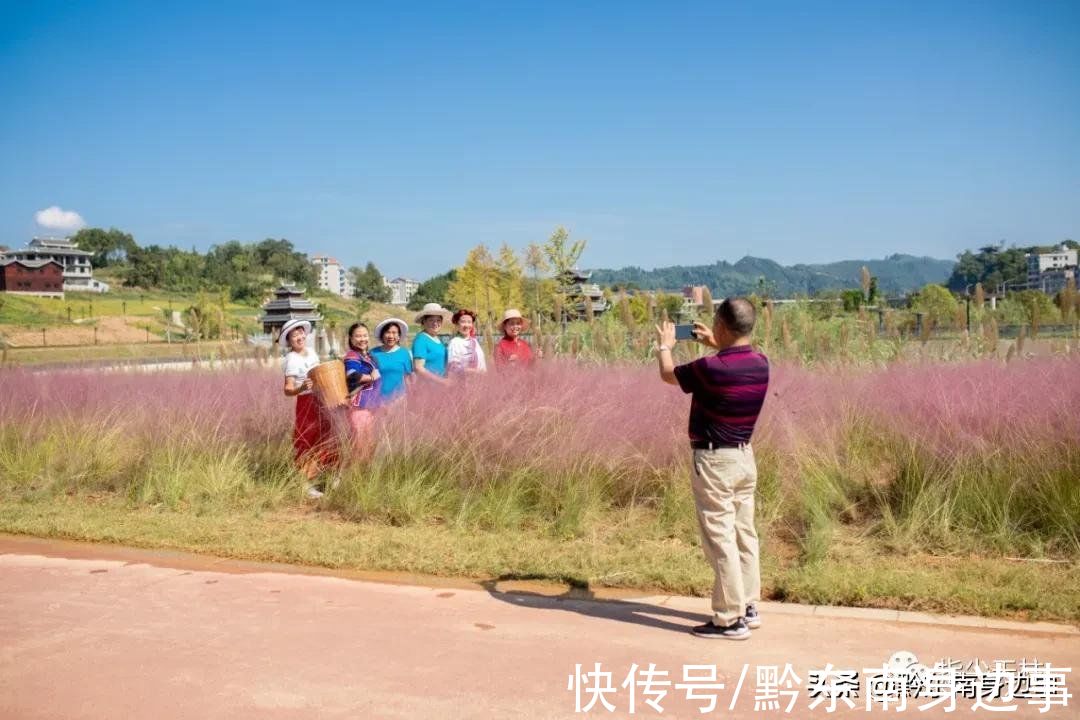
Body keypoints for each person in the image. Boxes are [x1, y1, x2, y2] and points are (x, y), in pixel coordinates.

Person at [655, 298, 770, 640]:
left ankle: (729, 619)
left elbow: (667, 374)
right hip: (744, 457)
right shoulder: (762, 363)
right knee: (743, 533)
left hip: (714, 460)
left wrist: (665, 344)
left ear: (720, 326)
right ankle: (748, 606)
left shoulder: (710, 368)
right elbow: (735, 354)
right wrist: (716, 343)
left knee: (719, 537)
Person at [280, 318, 337, 498]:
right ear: (288, 340)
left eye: (300, 333)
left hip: (321, 399)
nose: (299, 337)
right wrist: (301, 388)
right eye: (294, 335)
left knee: (325, 437)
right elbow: (288, 389)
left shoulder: (312, 352)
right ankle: (305, 484)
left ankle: (322, 477)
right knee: (307, 440)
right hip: (306, 402)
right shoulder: (291, 359)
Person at [342, 322, 381, 460]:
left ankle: (363, 476)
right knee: (358, 445)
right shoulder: (352, 356)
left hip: (370, 407)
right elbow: (351, 374)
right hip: (359, 407)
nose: (362, 339)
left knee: (369, 444)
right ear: (351, 338)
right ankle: (349, 477)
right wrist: (370, 377)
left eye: (365, 335)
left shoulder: (368, 356)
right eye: (358, 336)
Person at [370, 318, 413, 401]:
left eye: (394, 333)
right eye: (387, 332)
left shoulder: (404, 353)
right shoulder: (373, 353)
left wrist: (410, 397)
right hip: (377, 400)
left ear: (399, 336)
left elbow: (408, 378)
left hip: (399, 400)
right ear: (382, 335)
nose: (391, 336)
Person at [411, 302, 451, 385]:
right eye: (431, 320)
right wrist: (442, 381)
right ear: (424, 322)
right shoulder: (421, 339)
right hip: (427, 387)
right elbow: (418, 368)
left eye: (438, 320)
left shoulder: (438, 339)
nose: (435, 323)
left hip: (439, 388)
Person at [446, 308, 487, 376]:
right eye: (463, 322)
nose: (466, 325)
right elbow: (453, 367)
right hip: (463, 383)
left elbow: (482, 365)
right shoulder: (455, 342)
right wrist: (474, 371)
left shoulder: (474, 341)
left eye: (469, 322)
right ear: (457, 324)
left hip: (479, 382)